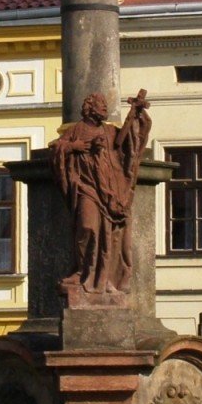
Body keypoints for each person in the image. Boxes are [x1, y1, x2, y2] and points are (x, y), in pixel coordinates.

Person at [50, 89, 150, 297]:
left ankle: (103, 277)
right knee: (87, 226)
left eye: (105, 104)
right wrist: (73, 146)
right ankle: (82, 270)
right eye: (101, 103)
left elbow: (126, 143)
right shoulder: (77, 129)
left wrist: (135, 114)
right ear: (89, 107)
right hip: (86, 186)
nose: (105, 107)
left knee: (106, 234)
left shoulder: (109, 131)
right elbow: (56, 148)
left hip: (107, 189)